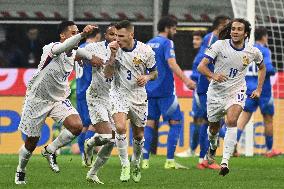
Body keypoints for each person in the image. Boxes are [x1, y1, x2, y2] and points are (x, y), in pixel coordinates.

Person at [15, 21, 103, 185]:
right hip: (37, 99)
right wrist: (83, 35)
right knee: (31, 142)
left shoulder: (75, 51)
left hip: (58, 99)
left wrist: (92, 58)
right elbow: (65, 48)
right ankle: (21, 169)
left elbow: (81, 52)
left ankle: (50, 150)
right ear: (63, 35)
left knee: (77, 126)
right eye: (72, 32)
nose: (75, 35)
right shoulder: (52, 48)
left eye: (77, 32)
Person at [197, 18, 266, 176]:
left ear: (245, 33)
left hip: (236, 90)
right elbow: (201, 66)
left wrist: (259, 89)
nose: (235, 31)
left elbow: (262, 68)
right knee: (213, 128)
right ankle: (213, 147)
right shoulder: (219, 45)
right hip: (216, 93)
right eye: (233, 28)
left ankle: (225, 161)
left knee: (231, 121)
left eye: (239, 29)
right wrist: (213, 75)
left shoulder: (252, 51)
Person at [107, 20, 158, 182]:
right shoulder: (112, 48)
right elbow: (107, 74)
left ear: (131, 35)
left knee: (138, 134)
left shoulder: (146, 50)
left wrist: (147, 77)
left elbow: (155, 73)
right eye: (115, 35)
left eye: (121, 36)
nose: (117, 39)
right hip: (118, 93)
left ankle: (135, 162)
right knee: (120, 128)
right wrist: (113, 55)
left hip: (138, 96)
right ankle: (125, 166)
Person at [142, 16, 195, 170]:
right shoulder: (167, 43)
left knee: (150, 124)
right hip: (165, 91)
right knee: (176, 122)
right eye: (174, 28)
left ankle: (145, 161)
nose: (175, 31)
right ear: (167, 28)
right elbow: (171, 63)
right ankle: (170, 161)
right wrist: (186, 80)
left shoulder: (149, 43)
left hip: (149, 91)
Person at [81, 24, 118, 184]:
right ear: (105, 36)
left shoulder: (127, 51)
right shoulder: (94, 47)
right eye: (111, 34)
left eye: (118, 35)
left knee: (112, 140)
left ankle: (93, 173)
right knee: (108, 136)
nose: (115, 38)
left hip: (114, 99)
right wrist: (85, 60)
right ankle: (89, 144)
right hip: (96, 96)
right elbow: (78, 54)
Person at [191, 16, 230, 170]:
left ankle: (207, 158)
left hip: (217, 87)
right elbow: (199, 63)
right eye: (228, 26)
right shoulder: (211, 38)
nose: (231, 30)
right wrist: (210, 78)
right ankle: (203, 159)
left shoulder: (221, 41)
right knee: (207, 121)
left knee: (214, 122)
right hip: (206, 88)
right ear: (220, 26)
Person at [236, 27, 281, 157]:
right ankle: (269, 150)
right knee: (268, 119)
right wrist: (272, 71)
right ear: (264, 37)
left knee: (243, 119)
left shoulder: (248, 50)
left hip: (248, 89)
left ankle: (233, 147)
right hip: (263, 90)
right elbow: (268, 68)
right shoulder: (264, 50)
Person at [75, 28, 102, 166]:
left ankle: (84, 158)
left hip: (80, 91)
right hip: (90, 92)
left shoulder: (79, 48)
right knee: (94, 125)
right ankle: (86, 155)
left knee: (85, 127)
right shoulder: (92, 48)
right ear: (97, 36)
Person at [176, 30, 204, 158]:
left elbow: (199, 73)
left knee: (201, 119)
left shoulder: (203, 54)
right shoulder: (202, 53)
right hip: (204, 89)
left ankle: (192, 150)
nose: (194, 41)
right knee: (205, 120)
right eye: (194, 39)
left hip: (201, 89)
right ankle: (194, 150)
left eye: (197, 39)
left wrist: (194, 79)